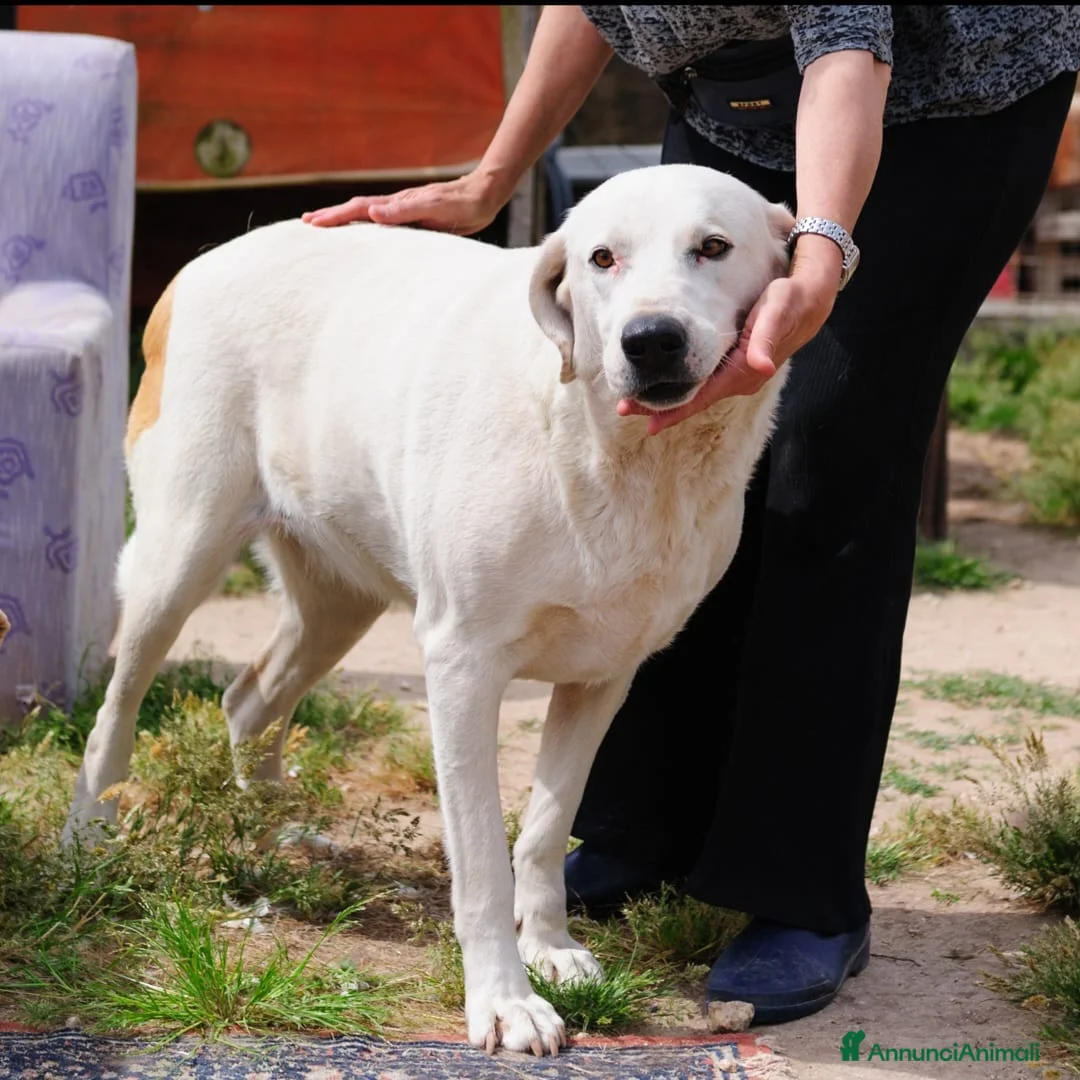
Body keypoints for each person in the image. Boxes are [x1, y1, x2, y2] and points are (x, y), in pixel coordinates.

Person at [304, 6, 1080, 1024]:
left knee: (821, 457)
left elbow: (848, 44)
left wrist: (823, 248)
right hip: (735, 98)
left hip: (947, 101)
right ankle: (645, 829)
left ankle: (800, 891)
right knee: (669, 455)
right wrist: (490, 179)